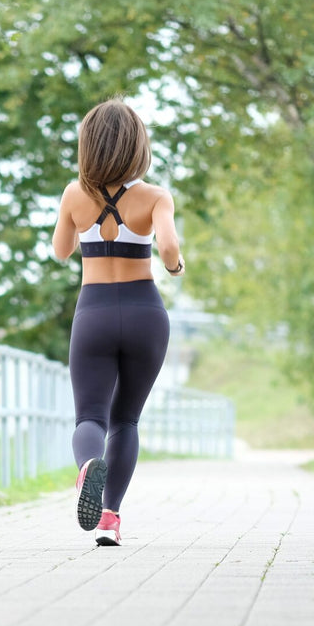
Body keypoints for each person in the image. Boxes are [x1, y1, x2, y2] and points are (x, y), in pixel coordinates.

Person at [51, 98, 185, 546]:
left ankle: (89, 464)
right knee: (125, 420)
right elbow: (168, 248)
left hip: (94, 310)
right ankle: (109, 519)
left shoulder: (74, 195)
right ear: (137, 147)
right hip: (145, 311)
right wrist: (176, 266)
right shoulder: (155, 196)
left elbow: (61, 251)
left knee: (90, 415)